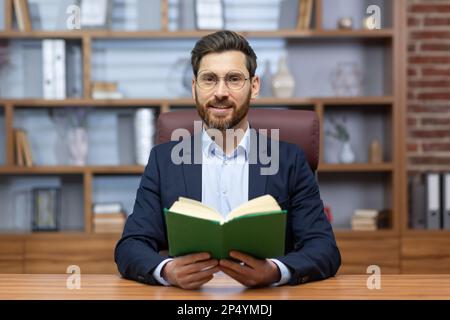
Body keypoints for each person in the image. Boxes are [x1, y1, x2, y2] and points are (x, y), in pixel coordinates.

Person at [115, 30, 341, 290]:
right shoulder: (164, 161)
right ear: (194, 87)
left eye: (233, 79)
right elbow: (130, 246)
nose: (220, 92)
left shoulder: (289, 160)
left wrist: (274, 271)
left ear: (254, 87)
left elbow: (324, 248)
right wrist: (167, 270)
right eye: (209, 79)